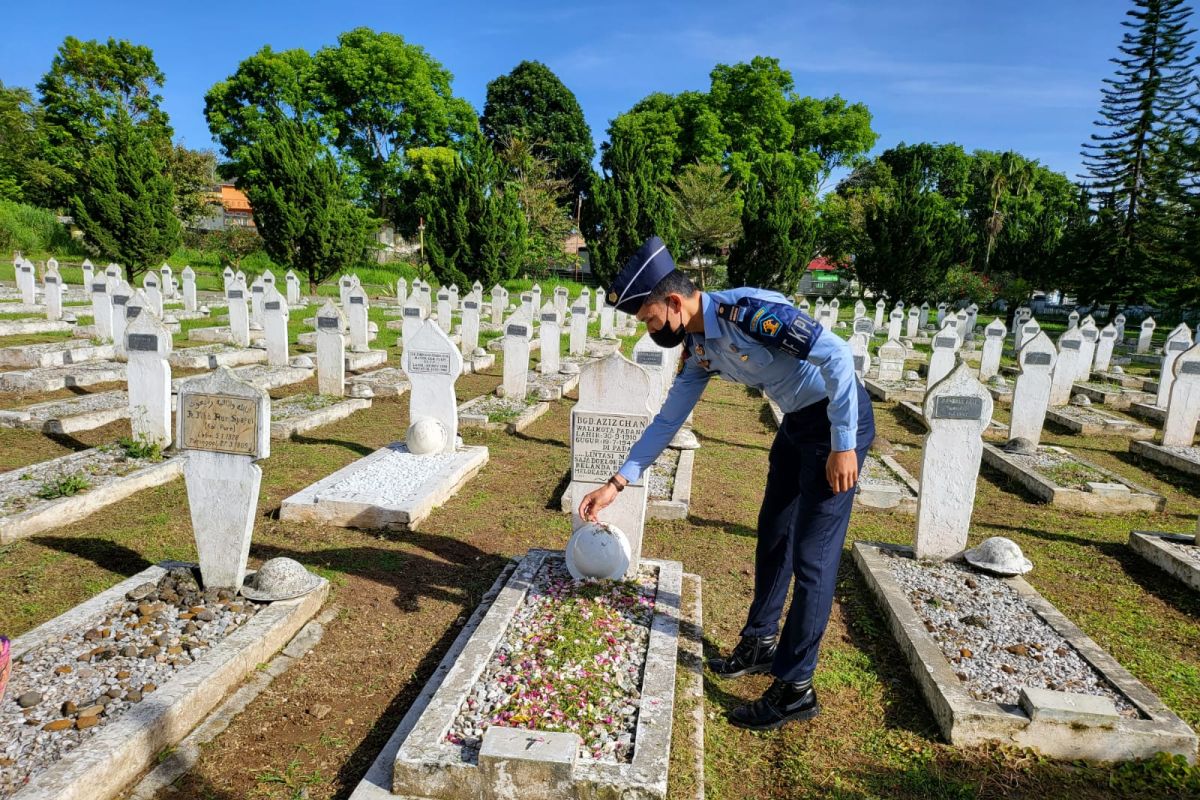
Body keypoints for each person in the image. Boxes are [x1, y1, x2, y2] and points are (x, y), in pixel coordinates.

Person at [579, 236, 875, 731]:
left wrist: (844, 444)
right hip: (797, 424)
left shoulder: (752, 314)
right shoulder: (697, 344)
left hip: (837, 423)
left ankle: (797, 687)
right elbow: (668, 418)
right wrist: (618, 482)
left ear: (674, 303)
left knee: (813, 554)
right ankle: (760, 640)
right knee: (773, 531)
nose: (651, 331)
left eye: (650, 319)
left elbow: (838, 358)